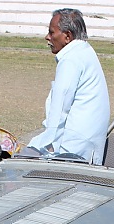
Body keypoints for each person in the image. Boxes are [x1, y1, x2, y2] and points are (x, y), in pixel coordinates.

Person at [28, 8, 109, 165]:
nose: (47, 37)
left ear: (67, 36)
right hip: (86, 150)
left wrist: (45, 146)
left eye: (52, 33)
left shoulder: (71, 60)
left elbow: (59, 110)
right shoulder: (85, 51)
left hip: (72, 152)